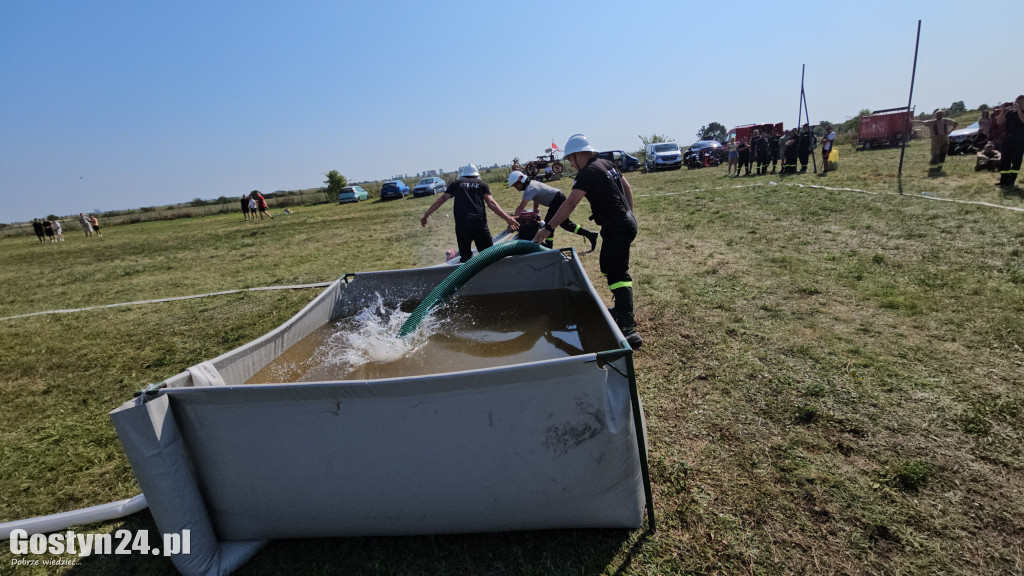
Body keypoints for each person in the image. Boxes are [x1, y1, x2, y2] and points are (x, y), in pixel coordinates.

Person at [531, 134, 642, 349]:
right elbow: (627, 187)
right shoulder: (606, 163)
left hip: (617, 226)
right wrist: (629, 213)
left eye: (571, 159)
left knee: (618, 274)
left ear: (580, 154)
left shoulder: (588, 172)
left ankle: (629, 328)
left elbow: (570, 204)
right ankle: (620, 311)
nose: (571, 164)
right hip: (622, 223)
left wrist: (548, 228)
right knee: (608, 267)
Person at [420, 163, 519, 263]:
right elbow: (491, 203)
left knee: (466, 259)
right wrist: (508, 218)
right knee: (488, 255)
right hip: (479, 224)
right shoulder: (482, 184)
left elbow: (441, 199)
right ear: (476, 175)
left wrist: (426, 216)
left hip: (462, 225)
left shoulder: (456, 184)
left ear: (463, 174)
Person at [508, 170, 598, 252]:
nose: (516, 188)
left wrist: (513, 220)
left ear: (521, 179)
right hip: (558, 199)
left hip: (557, 200)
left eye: (516, 185)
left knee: (548, 225)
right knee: (565, 224)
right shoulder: (532, 184)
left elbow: (521, 207)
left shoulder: (529, 189)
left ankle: (549, 249)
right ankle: (590, 234)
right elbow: (536, 198)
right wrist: (535, 211)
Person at [995, 95, 1024, 190]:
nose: (1017, 104)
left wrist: (1019, 109)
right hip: (1008, 139)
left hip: (1019, 140)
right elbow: (999, 122)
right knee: (1005, 160)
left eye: (1020, 102)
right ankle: (1003, 181)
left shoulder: (1022, 112)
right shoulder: (1010, 113)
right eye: (1017, 102)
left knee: (1016, 160)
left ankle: (1011, 181)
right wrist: (1002, 110)